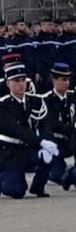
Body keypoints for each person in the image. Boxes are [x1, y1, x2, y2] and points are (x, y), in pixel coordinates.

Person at [0, 63, 56, 199]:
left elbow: (44, 125)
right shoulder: (2, 104)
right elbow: (15, 129)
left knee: (50, 154)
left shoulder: (36, 101)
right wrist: (41, 142)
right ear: (8, 84)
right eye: (16, 81)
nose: (21, 84)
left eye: (23, 80)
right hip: (11, 152)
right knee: (17, 192)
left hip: (29, 149)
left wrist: (48, 141)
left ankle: (38, 187)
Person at [33, 63, 75, 191]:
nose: (66, 83)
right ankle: (60, 174)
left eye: (68, 79)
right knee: (59, 176)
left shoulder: (73, 97)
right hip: (55, 143)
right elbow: (51, 123)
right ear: (54, 80)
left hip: (72, 141)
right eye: (63, 79)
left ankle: (72, 171)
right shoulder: (46, 100)